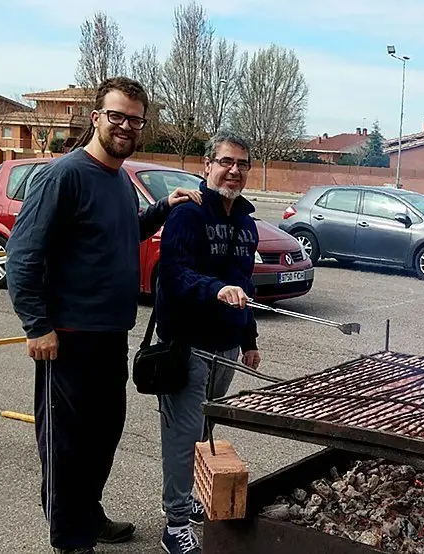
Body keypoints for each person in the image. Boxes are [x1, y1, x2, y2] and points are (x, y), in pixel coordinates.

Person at [6, 77, 198, 554]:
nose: (125, 126)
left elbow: (116, 234)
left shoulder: (116, 181)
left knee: (102, 436)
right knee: (66, 445)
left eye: (134, 119)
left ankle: (86, 515)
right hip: (67, 337)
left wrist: (160, 210)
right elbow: (22, 255)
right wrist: (37, 326)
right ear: (96, 118)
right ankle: (71, 539)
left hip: (110, 334)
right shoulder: (64, 175)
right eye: (116, 116)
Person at [155, 130, 261, 554]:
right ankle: (175, 522)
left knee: (203, 431)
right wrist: (213, 289)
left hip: (226, 346)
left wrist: (249, 338)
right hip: (187, 345)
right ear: (207, 166)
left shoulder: (246, 222)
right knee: (182, 436)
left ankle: (189, 501)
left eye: (242, 164)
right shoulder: (188, 215)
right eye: (225, 162)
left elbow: (245, 284)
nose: (233, 171)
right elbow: (172, 273)